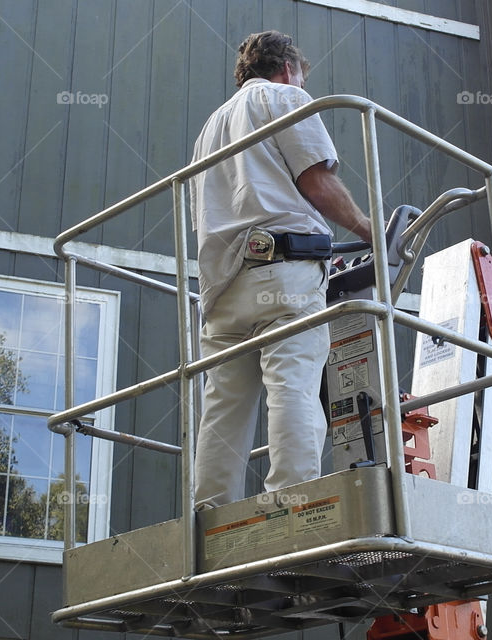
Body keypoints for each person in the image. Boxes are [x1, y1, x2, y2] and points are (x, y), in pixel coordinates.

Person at [190, 30, 371, 509]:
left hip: (223, 289)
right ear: (290, 68)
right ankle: (290, 509)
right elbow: (317, 182)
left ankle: (209, 517)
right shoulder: (286, 96)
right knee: (292, 384)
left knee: (224, 405)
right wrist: (366, 227)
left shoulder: (211, 127)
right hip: (282, 271)